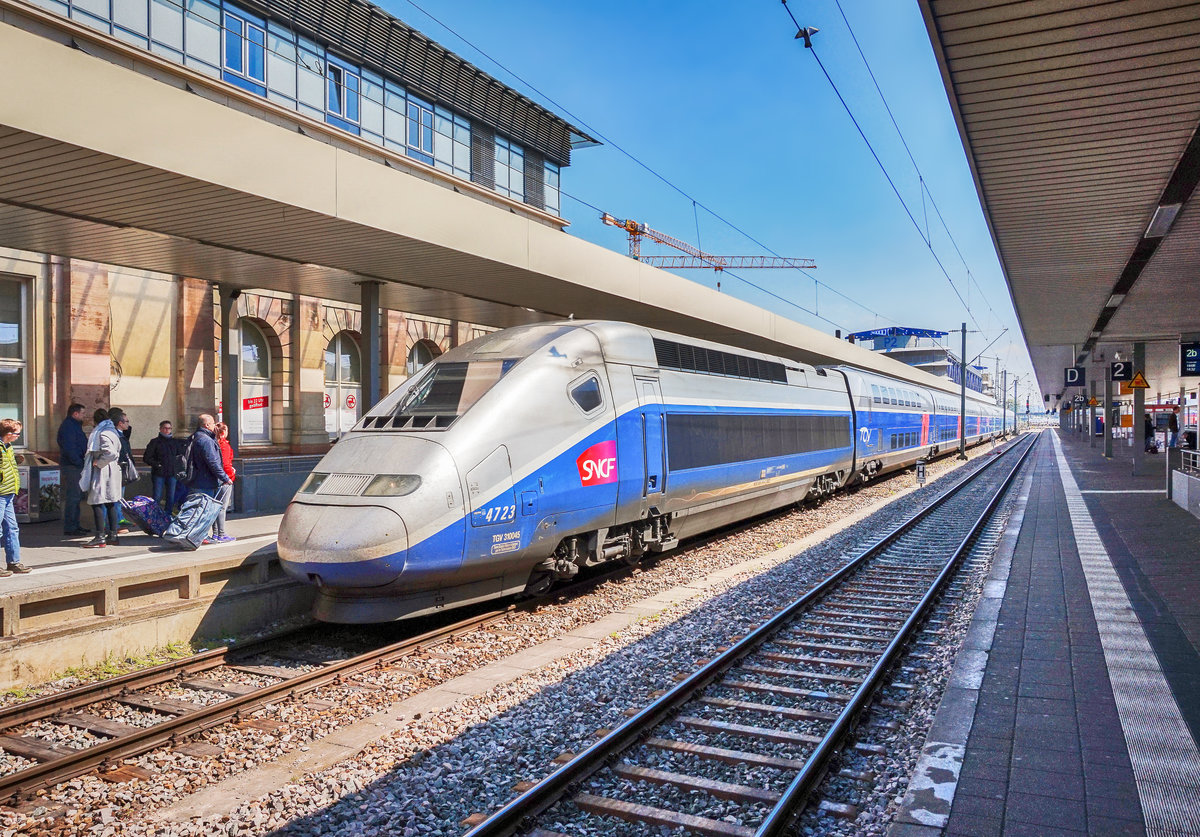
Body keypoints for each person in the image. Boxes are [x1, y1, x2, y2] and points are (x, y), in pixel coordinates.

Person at [82, 408, 127, 548]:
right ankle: (113, 535)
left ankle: (100, 536)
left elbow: (111, 453)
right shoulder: (112, 430)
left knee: (97, 502)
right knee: (111, 502)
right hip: (111, 470)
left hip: (103, 471)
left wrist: (98, 462)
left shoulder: (103, 433)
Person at [0, 419, 31, 576]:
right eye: (17, 433)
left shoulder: (8, 447)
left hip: (8, 493)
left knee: (12, 528)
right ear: (9, 434)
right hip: (0, 493)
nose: (19, 436)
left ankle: (13, 562)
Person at [55, 403, 90, 537]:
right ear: (75, 414)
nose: (84, 416)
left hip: (75, 465)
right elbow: (69, 448)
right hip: (72, 466)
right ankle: (70, 526)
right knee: (73, 497)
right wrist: (79, 462)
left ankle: (75, 524)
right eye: (82, 413)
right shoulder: (68, 427)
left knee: (76, 497)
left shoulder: (74, 425)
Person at [185, 413, 233, 503]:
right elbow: (213, 462)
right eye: (213, 423)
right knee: (202, 512)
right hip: (204, 482)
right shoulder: (206, 440)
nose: (215, 425)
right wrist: (225, 478)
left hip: (194, 480)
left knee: (196, 510)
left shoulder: (194, 437)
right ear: (207, 425)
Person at [206, 422, 237, 544]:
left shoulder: (212, 443)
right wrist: (230, 476)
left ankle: (215, 534)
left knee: (215, 507)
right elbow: (225, 464)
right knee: (222, 507)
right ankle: (221, 534)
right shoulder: (224, 446)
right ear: (223, 433)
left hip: (214, 479)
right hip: (224, 479)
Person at [143, 420, 183, 512]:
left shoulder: (175, 442)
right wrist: (157, 464)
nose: (167, 430)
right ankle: (155, 515)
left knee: (171, 497)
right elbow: (147, 458)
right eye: (165, 428)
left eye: (169, 428)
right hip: (159, 473)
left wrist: (177, 467)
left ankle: (167, 515)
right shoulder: (155, 442)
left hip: (172, 473)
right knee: (157, 496)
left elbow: (180, 456)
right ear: (160, 429)